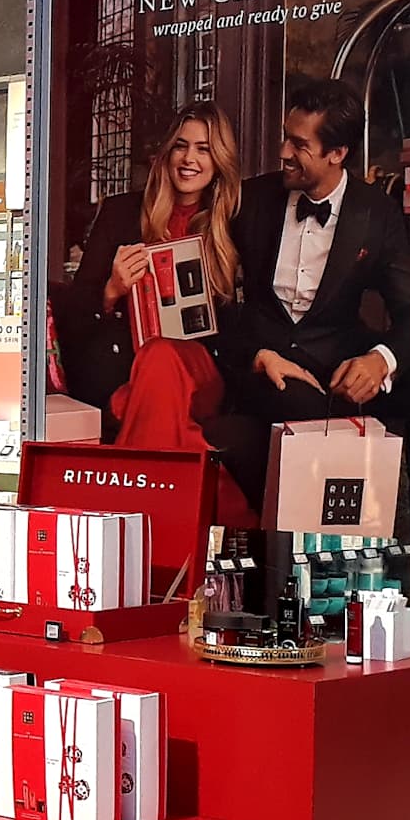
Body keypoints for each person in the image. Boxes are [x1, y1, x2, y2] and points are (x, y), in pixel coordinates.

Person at [232, 74, 410, 525]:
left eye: (299, 144)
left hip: (336, 356)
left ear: (337, 153)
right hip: (267, 359)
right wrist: (256, 353)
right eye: (285, 137)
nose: (283, 152)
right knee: (300, 406)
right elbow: (219, 298)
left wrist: (380, 361)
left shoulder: (374, 212)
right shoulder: (251, 199)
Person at [58, 103, 256, 524]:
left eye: (204, 149)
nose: (189, 159)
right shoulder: (121, 214)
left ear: (219, 161)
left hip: (204, 371)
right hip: (130, 372)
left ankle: (126, 519)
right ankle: (197, 516)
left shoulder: (236, 222)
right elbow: (74, 317)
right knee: (156, 364)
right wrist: (111, 291)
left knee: (162, 356)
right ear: (166, 153)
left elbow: (246, 324)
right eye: (181, 146)